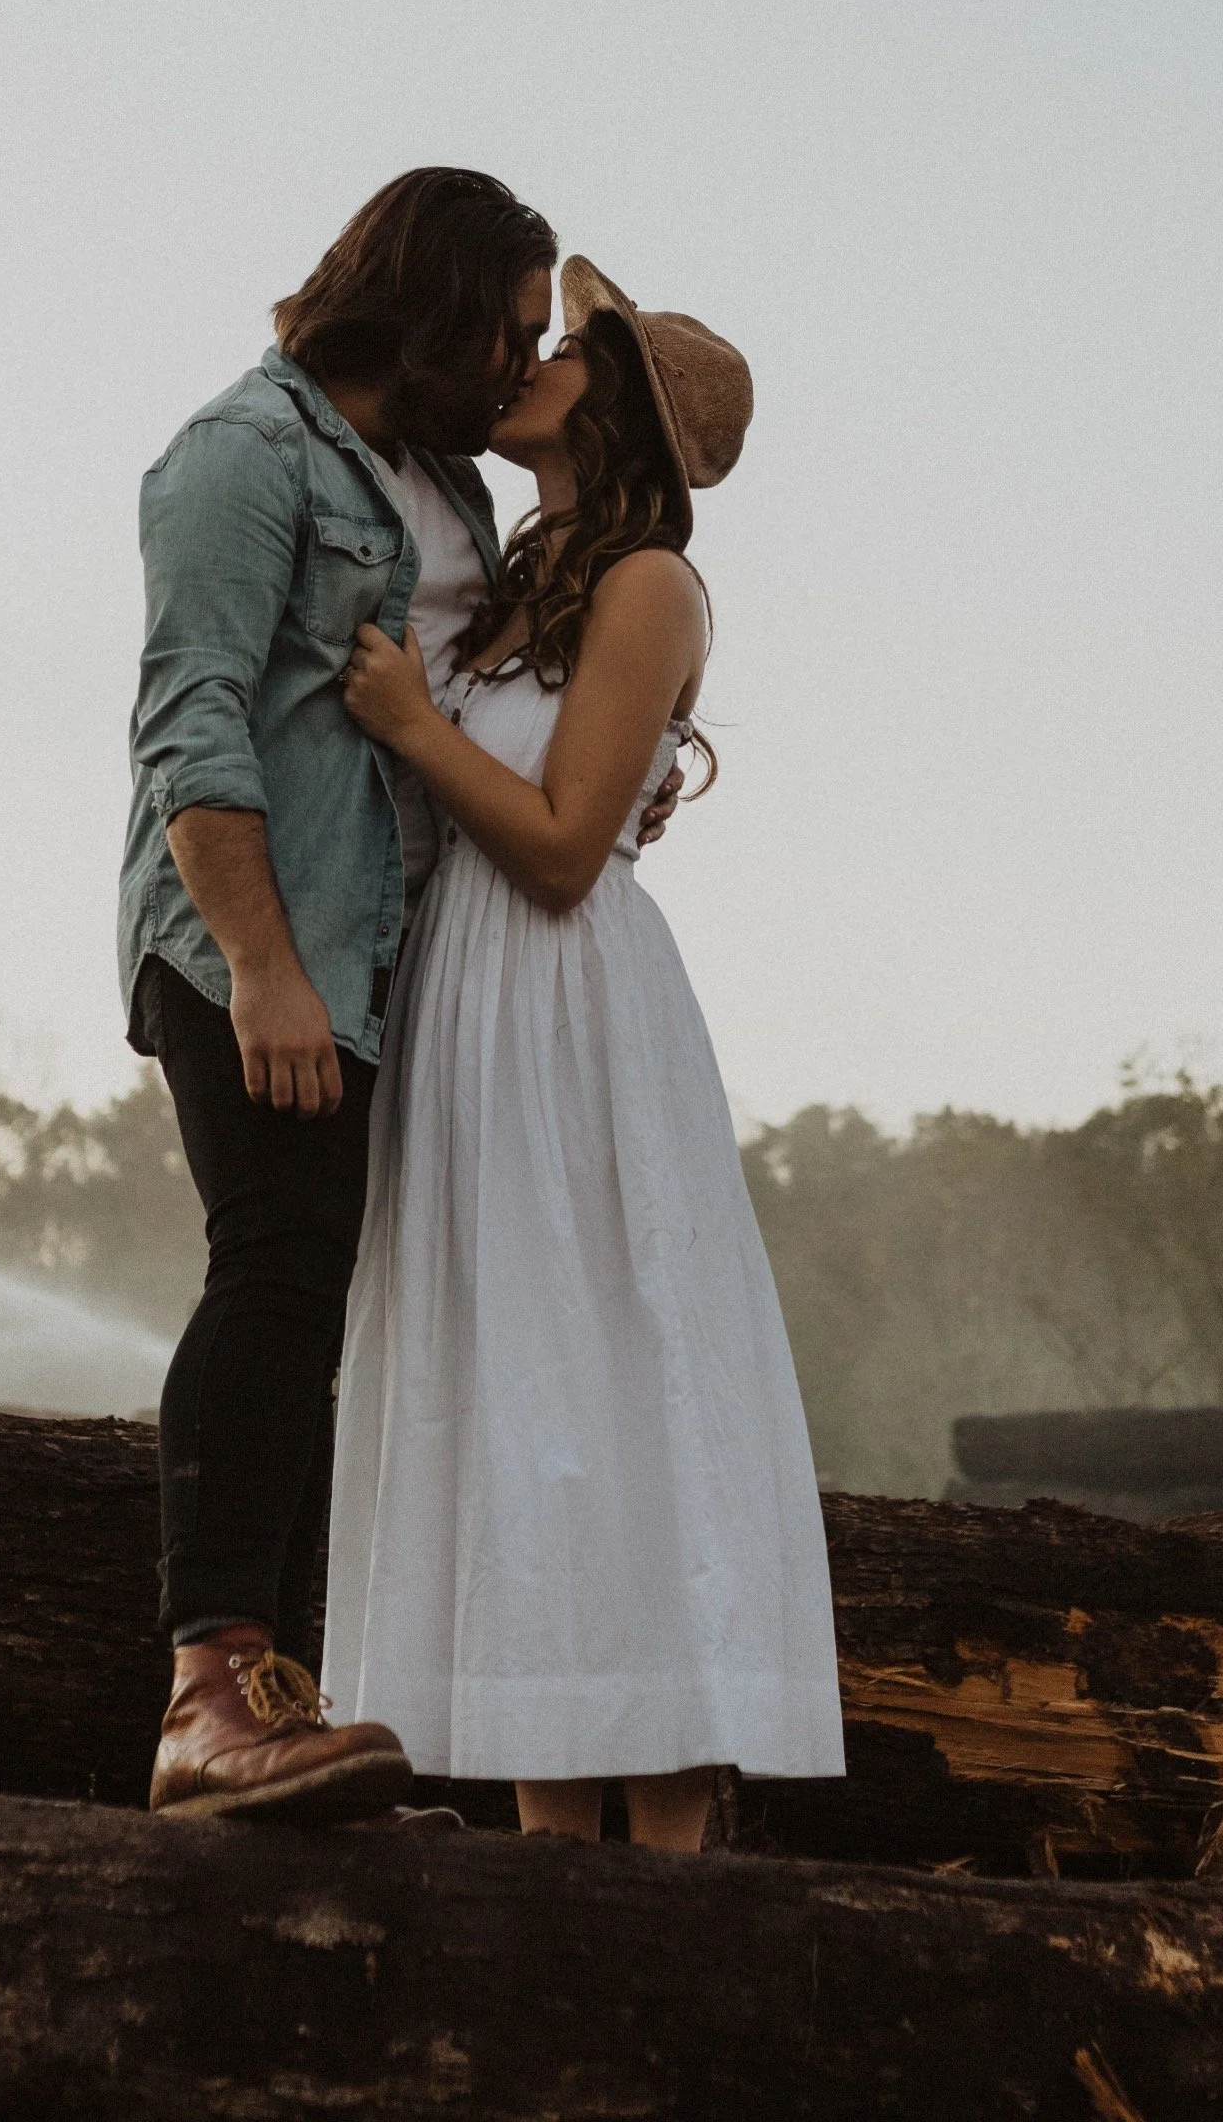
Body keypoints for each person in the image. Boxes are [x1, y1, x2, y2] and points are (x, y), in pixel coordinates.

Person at [325, 256, 844, 1849]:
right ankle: (551, 1863)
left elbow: (559, 847)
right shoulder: (516, 574)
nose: (529, 360)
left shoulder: (648, 590)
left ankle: (673, 1860)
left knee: (610, 1383)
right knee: (512, 1395)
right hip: (465, 1006)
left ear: (610, 406)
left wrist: (413, 727)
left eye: (565, 352)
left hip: (566, 1002)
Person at [120, 167, 567, 1822]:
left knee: (335, 1314)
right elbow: (192, 728)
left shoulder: (443, 478)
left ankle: (292, 1707)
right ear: (437, 305)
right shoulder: (241, 457)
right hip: (254, 942)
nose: (522, 371)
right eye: (510, 334)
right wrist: (261, 968)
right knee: (279, 1268)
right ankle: (205, 1698)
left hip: (391, 956)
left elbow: (461, 689)